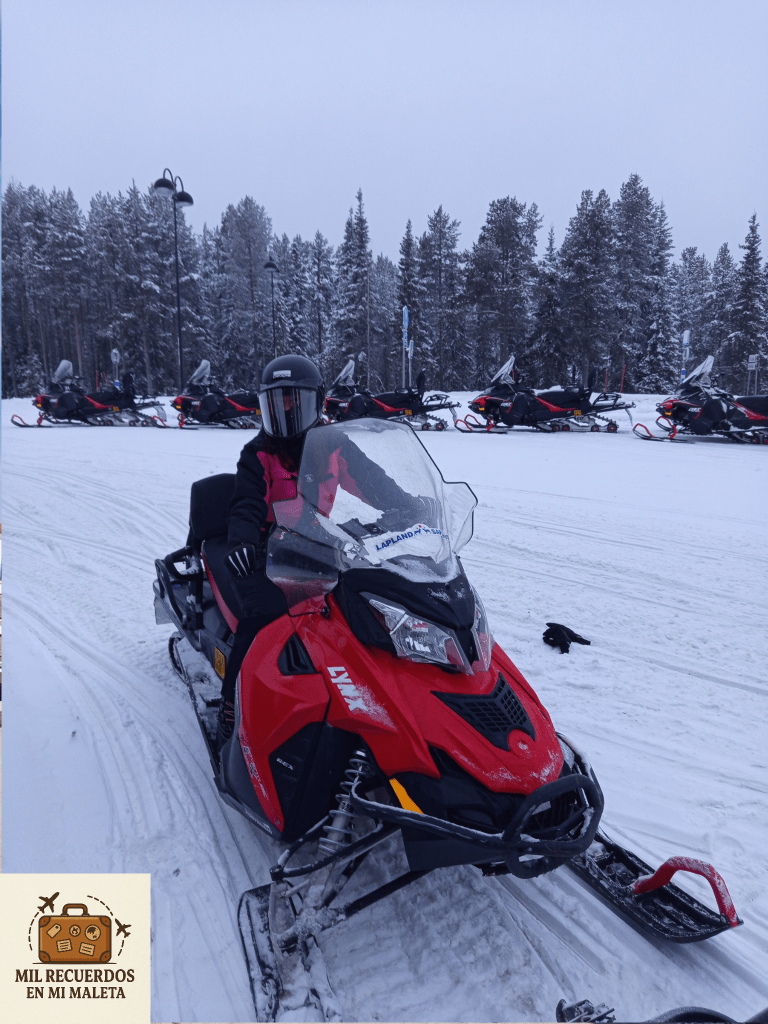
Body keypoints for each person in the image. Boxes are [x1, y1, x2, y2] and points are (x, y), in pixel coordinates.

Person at [216, 353, 438, 752]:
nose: (285, 413)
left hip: (316, 539)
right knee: (262, 618)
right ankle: (230, 711)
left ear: (315, 403)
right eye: (275, 403)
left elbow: (373, 481)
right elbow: (247, 503)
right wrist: (242, 542)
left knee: (364, 598)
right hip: (267, 551)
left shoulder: (334, 445)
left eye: (294, 402)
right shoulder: (259, 453)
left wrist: (408, 504)